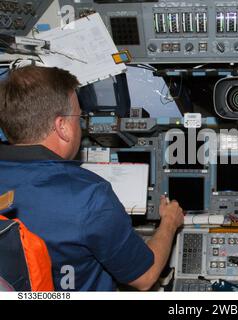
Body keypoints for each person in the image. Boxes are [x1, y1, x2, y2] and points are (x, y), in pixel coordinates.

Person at [0, 66, 184, 291]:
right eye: (79, 117)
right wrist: (169, 222)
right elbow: (145, 277)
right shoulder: (88, 195)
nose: (81, 125)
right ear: (62, 127)